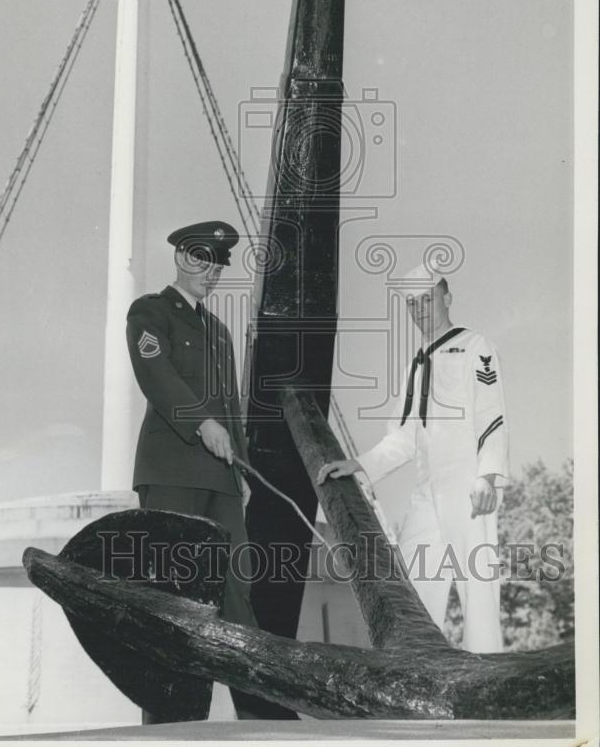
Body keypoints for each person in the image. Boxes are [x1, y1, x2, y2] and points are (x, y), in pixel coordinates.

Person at [126, 220, 288, 720]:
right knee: (175, 591)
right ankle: (170, 720)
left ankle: (261, 714)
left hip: (221, 478)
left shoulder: (219, 331)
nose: (210, 272)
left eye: (218, 264)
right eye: (201, 260)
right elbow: (156, 374)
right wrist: (201, 423)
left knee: (237, 588)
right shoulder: (151, 312)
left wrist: (239, 471)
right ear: (180, 258)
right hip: (172, 470)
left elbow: (232, 407)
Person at [317, 266, 510, 653]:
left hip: (467, 484)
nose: (419, 308)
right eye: (411, 303)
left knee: (477, 589)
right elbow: (402, 439)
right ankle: (413, 667)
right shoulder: (414, 367)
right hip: (426, 491)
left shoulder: (474, 346)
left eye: (427, 298)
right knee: (412, 583)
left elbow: (492, 413)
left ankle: (487, 680)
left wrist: (489, 476)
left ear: (446, 298)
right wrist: (358, 464)